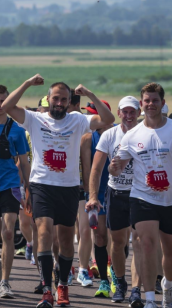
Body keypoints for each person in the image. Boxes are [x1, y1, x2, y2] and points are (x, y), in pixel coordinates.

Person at [1, 74, 115, 308]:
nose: (59, 103)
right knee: (43, 233)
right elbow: (6, 107)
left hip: (69, 187)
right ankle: (46, 289)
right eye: (56, 98)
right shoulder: (35, 119)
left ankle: (62, 283)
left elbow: (108, 119)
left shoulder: (77, 120)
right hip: (42, 185)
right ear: (49, 99)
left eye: (64, 99)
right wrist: (26, 83)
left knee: (65, 240)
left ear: (69, 101)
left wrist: (90, 94)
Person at [110, 83, 172, 308]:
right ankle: (149, 300)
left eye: (155, 100)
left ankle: (168, 286)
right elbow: (118, 166)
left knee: (171, 253)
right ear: (141, 105)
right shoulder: (132, 135)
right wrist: (115, 167)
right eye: (146, 100)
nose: (150, 104)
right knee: (146, 244)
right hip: (142, 198)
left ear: (162, 103)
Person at [86, 96, 143, 306]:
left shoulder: (145, 134)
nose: (128, 116)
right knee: (117, 243)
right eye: (124, 112)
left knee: (138, 242)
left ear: (138, 113)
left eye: (132, 112)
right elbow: (96, 168)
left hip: (141, 194)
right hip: (116, 193)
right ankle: (120, 282)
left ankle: (136, 289)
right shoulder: (110, 135)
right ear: (118, 113)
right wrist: (93, 196)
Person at [0, 85, 31, 298]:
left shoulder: (18, 130)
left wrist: (27, 186)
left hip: (10, 185)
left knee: (9, 232)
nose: (0, 105)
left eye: (3, 100)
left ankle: (5, 282)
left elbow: (24, 160)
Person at [77, 99, 112, 289]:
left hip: (116, 191)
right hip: (95, 192)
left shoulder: (118, 132)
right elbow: (89, 169)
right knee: (92, 233)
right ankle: (88, 269)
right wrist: (92, 195)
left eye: (93, 113)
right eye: (89, 113)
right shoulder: (87, 138)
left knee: (116, 237)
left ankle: (113, 271)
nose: (91, 118)